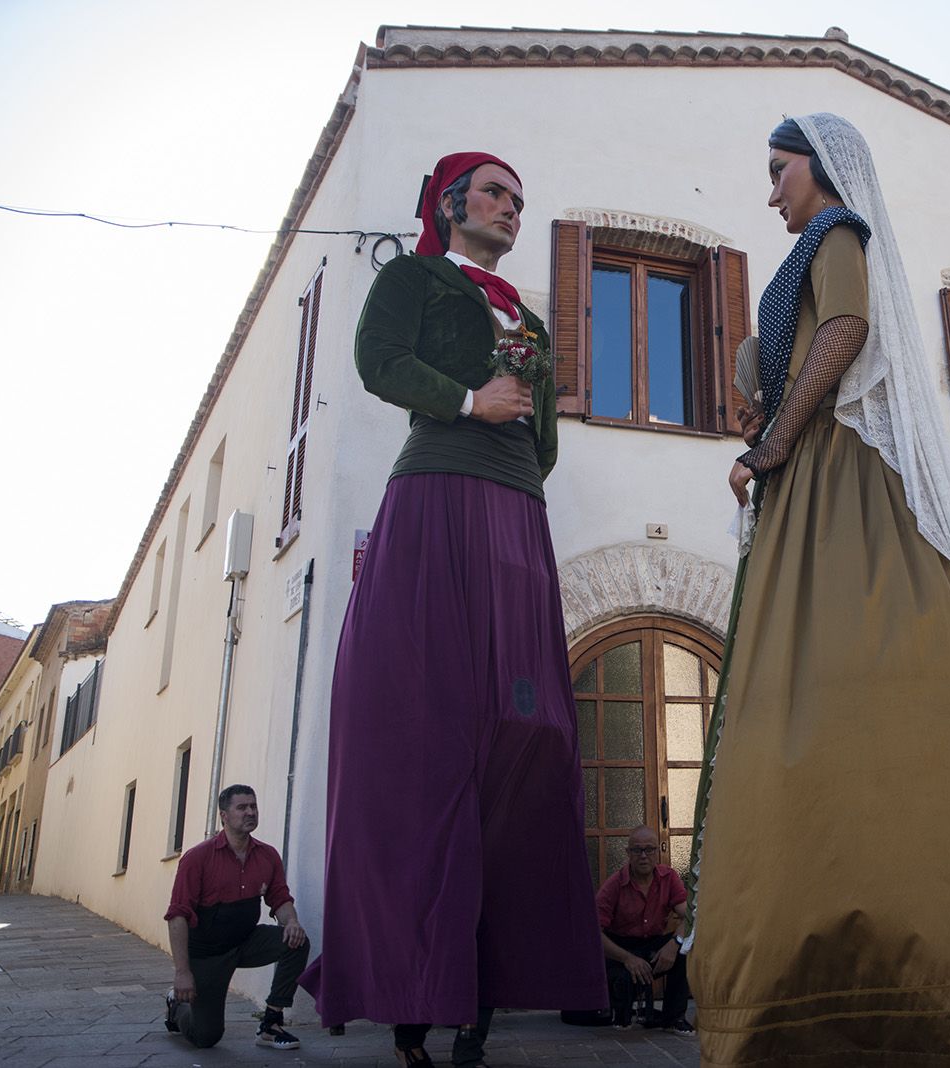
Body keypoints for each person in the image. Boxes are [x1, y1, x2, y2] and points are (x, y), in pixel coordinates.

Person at [684, 114, 950, 1065]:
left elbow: (846, 330)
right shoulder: (804, 253)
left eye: (779, 170)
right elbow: (802, 354)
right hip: (804, 475)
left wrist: (773, 442)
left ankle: (897, 977)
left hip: (835, 473)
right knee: (802, 711)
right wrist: (766, 429)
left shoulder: (836, 231)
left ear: (819, 167)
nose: (771, 191)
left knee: (846, 691)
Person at [299, 152, 606, 1067]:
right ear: (449, 204)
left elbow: (542, 434)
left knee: (528, 733)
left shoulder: (531, 320)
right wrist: (471, 402)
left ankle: (485, 989)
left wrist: (514, 462)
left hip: (517, 516)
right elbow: (376, 362)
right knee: (426, 736)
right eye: (495, 193)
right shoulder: (415, 278)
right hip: (436, 496)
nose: (512, 208)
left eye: (520, 199)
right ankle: (410, 999)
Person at [163, 786, 308, 1051]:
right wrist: (182, 972)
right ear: (224, 816)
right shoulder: (197, 858)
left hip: (245, 942)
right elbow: (177, 916)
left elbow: (280, 898)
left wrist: (292, 922)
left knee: (297, 941)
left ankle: (271, 1025)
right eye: (242, 807)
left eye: (253, 806)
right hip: (207, 953)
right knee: (206, 1037)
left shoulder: (267, 855)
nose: (250, 812)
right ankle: (177, 1006)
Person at [596, 826, 691, 1033]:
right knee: (620, 995)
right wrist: (627, 959)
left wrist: (674, 944)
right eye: (637, 850)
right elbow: (594, 935)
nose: (643, 856)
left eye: (649, 849)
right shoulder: (613, 885)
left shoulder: (669, 878)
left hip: (653, 946)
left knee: (685, 950)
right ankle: (623, 1011)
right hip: (621, 949)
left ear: (658, 851)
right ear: (628, 853)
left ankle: (674, 1018)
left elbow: (690, 917)